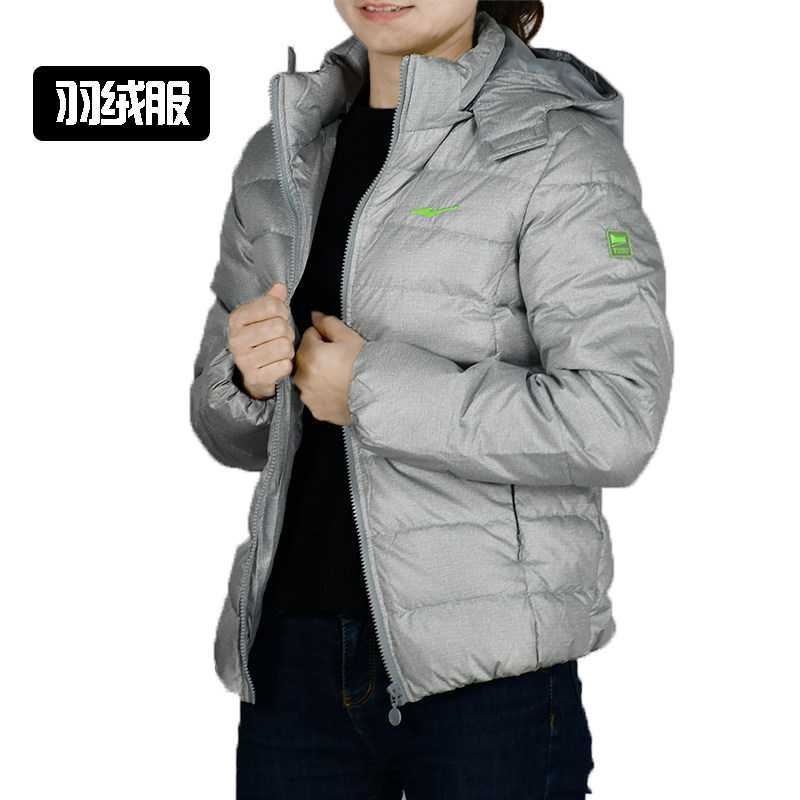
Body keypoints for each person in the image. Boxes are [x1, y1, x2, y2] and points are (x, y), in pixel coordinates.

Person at [190, 1, 673, 797]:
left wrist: (370, 390)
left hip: (485, 672)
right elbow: (227, 433)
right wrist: (246, 382)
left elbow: (617, 417)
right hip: (290, 660)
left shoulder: (557, 150)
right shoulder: (281, 154)